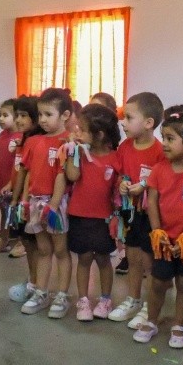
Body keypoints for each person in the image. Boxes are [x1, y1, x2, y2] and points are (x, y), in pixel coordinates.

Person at [131, 107, 183, 349]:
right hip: (163, 241)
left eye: (170, 139)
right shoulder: (159, 169)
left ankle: (179, 325)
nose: (164, 143)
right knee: (158, 282)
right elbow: (151, 201)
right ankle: (152, 320)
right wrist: (157, 232)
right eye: (163, 137)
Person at [107, 92, 166, 328]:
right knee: (132, 257)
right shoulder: (125, 146)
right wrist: (122, 183)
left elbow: (162, 180)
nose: (123, 123)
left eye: (129, 118)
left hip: (149, 215)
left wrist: (144, 185)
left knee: (148, 261)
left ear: (149, 123)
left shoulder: (160, 151)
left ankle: (149, 307)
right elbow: (120, 172)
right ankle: (133, 299)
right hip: (129, 213)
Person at [14, 88, 72, 318]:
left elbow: (62, 174)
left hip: (56, 204)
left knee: (60, 250)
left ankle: (62, 295)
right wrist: (24, 201)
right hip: (36, 202)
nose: (43, 120)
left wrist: (54, 205)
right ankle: (41, 291)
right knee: (43, 249)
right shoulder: (33, 141)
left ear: (65, 115)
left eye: (48, 114)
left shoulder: (67, 142)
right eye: (40, 115)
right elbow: (28, 173)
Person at [64, 104, 121, 321]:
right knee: (84, 258)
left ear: (99, 134)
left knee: (104, 259)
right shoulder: (78, 152)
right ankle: (84, 300)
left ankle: (105, 299)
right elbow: (72, 176)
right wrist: (73, 151)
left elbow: (117, 189)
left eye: (81, 129)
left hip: (104, 218)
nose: (76, 132)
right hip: (79, 214)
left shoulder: (115, 158)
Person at [6, 95, 46, 301]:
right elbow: (18, 171)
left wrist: (19, 200)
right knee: (28, 244)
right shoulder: (24, 140)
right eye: (17, 115)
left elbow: (28, 173)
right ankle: (33, 280)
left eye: (24, 115)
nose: (19, 120)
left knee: (34, 245)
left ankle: (36, 284)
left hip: (30, 202)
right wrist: (10, 187)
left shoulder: (34, 141)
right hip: (22, 199)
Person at [0, 98, 20, 254]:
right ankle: (4, 240)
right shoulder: (1, 136)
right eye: (0, 115)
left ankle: (21, 242)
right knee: (4, 213)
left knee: (18, 214)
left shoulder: (21, 138)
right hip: (0, 184)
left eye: (5, 115)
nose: (0, 118)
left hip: (14, 184)